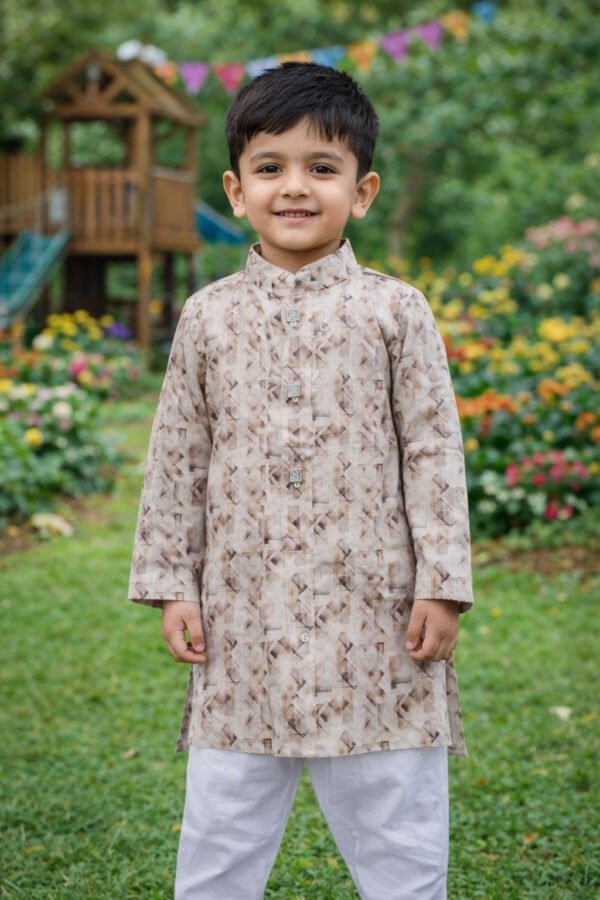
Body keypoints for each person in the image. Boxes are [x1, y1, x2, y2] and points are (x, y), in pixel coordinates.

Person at [128, 61, 474, 900]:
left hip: (378, 624)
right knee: (220, 836)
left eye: (322, 168)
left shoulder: (396, 310)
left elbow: (434, 449)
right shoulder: (207, 315)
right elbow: (180, 453)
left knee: (400, 833)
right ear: (236, 188)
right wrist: (173, 583)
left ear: (362, 191)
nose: (295, 187)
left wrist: (444, 583)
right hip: (240, 629)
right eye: (270, 166)